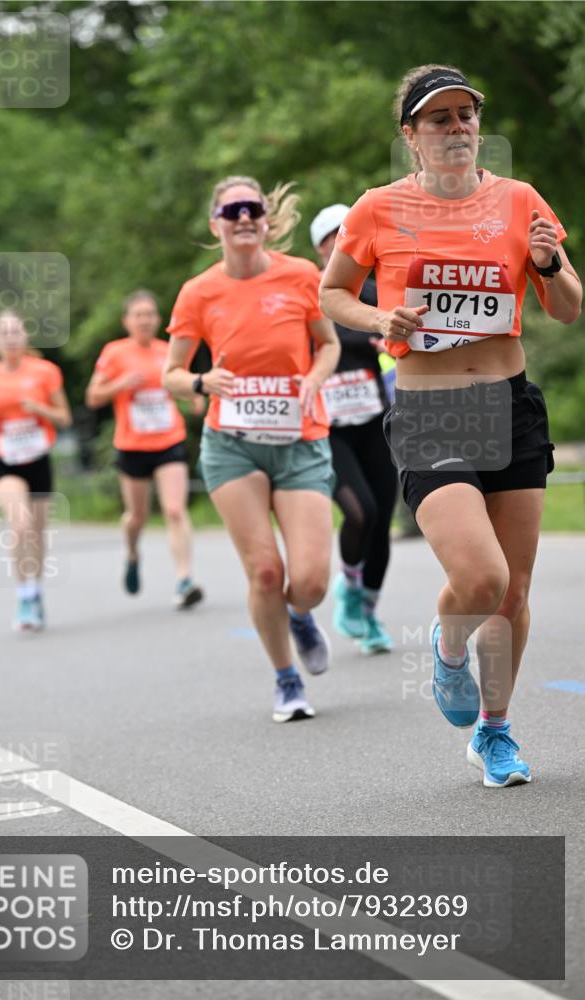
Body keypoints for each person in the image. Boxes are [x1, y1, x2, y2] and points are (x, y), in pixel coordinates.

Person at [320, 64, 581, 786]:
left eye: (465, 114)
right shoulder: (376, 209)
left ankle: (494, 733)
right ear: (410, 135)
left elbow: (565, 306)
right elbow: (332, 292)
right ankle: (444, 648)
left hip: (509, 403)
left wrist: (547, 263)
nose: (457, 127)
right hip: (432, 409)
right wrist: (380, 318)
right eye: (438, 118)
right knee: (479, 575)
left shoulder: (517, 200)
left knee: (513, 591)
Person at [164, 175, 340, 722]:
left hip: (299, 441)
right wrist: (199, 383)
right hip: (232, 445)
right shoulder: (199, 291)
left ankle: (301, 614)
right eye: (232, 209)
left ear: (266, 219)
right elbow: (170, 372)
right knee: (265, 572)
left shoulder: (302, 275)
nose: (244, 217)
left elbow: (329, 345)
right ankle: (287, 680)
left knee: (307, 580)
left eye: (253, 208)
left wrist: (312, 378)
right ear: (216, 223)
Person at [311, 204, 398, 653]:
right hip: (330, 429)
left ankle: (368, 611)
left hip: (377, 422)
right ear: (321, 248)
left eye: (348, 235)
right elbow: (335, 336)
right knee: (359, 511)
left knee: (381, 520)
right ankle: (348, 586)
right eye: (332, 239)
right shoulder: (311, 293)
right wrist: (366, 338)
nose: (341, 245)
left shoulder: (375, 290)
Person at [85, 290, 204, 609]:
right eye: (138, 314)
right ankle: (133, 554)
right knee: (136, 516)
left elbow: (185, 383)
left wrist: (194, 396)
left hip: (169, 441)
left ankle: (184, 580)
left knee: (175, 511)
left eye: (150, 313)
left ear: (157, 319)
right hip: (132, 446)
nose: (145, 319)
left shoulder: (168, 352)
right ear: (127, 321)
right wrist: (120, 384)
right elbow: (93, 397)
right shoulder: (114, 353)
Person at [0, 310, 72, 631]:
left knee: (36, 533)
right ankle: (23, 595)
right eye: (4, 333)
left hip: (38, 460)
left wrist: (40, 409)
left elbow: (64, 418)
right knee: (20, 524)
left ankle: (35, 590)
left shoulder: (45, 372)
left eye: (16, 332)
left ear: (25, 337)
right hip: (5, 461)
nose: (10, 338)